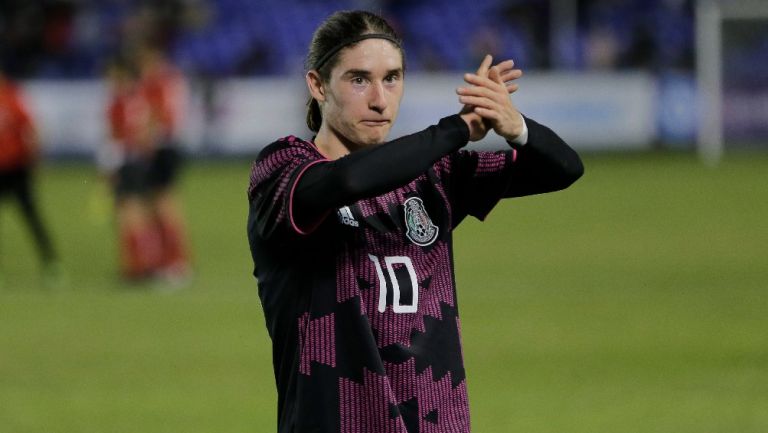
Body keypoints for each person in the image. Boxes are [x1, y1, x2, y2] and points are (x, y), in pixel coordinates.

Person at [246, 10, 583, 433]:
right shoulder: (283, 170)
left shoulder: (435, 175)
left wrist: (516, 127)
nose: (379, 99)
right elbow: (348, 179)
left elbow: (564, 169)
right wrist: (456, 129)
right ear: (317, 85)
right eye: (358, 79)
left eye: (392, 78)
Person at [0, 69, 61, 287]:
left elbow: (30, 128)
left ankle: (51, 263)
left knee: (31, 217)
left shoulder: (11, 96)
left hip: (16, 168)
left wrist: (36, 157)